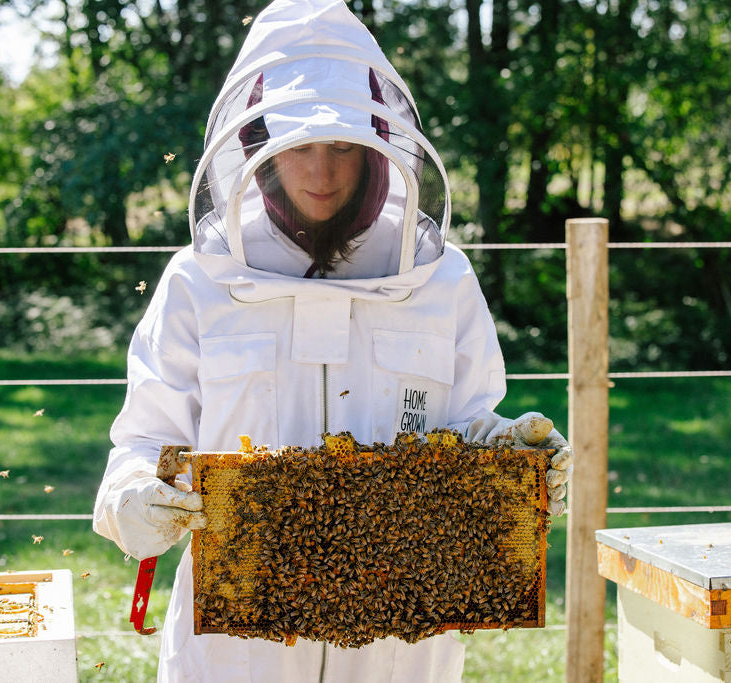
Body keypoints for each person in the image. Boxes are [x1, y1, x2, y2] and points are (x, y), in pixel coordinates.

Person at [92, 1, 573, 681]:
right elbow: (142, 445)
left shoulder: (440, 277)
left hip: (402, 654)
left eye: (343, 146)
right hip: (237, 660)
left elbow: (465, 427)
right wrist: (135, 497)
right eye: (300, 147)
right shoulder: (201, 279)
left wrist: (512, 455)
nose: (321, 172)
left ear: (381, 146)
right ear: (259, 145)